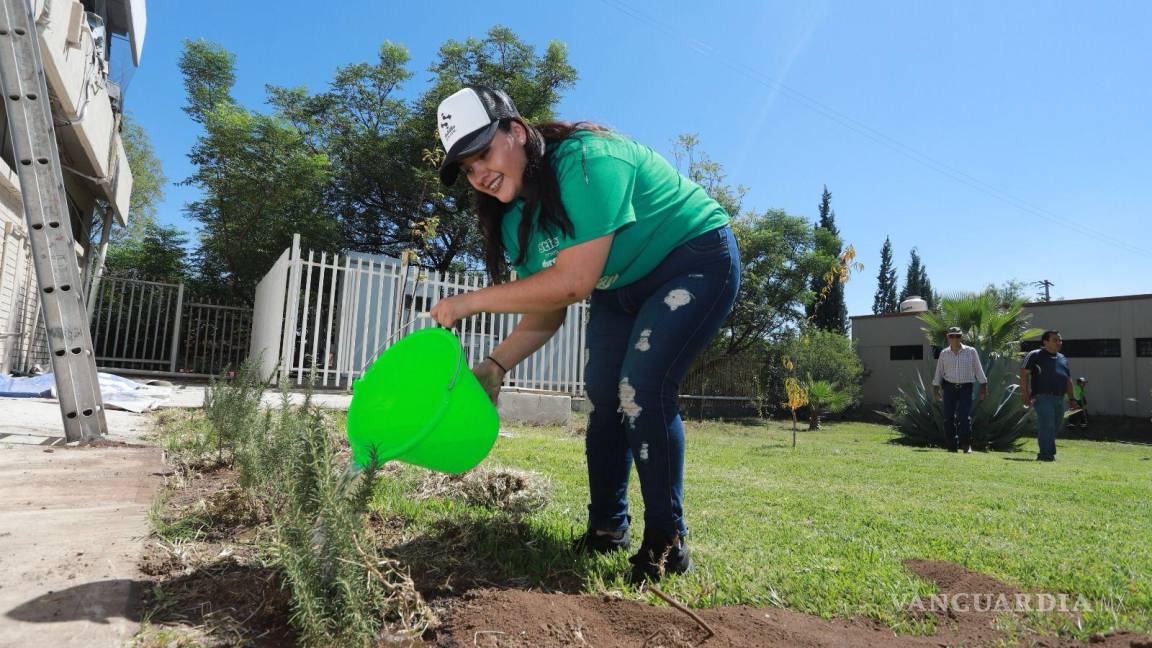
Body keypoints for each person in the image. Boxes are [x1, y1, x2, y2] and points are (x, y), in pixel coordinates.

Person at [427, 86, 740, 582]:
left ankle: (666, 541)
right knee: (603, 395)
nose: (479, 174)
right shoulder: (514, 218)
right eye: (466, 167)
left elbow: (572, 283)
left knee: (641, 388)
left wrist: (466, 303)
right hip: (622, 284)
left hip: (694, 259)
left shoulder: (589, 161)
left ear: (516, 130)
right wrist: (494, 367)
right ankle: (607, 529)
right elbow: (548, 310)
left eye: (484, 152)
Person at [1019, 330, 1075, 462]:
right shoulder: (1035, 355)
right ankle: (1045, 455)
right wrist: (1025, 394)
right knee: (1047, 425)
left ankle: (1049, 452)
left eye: (1060, 340)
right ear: (1045, 342)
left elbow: (1068, 380)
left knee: (1055, 426)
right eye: (1055, 340)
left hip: (1059, 398)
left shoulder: (1062, 358)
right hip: (1042, 397)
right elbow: (1024, 374)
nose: (1059, 343)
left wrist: (1072, 399)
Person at [931, 327, 988, 453]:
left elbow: (978, 369)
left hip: (966, 388)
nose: (955, 339)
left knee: (964, 416)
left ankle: (966, 445)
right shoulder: (944, 353)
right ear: (948, 337)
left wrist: (983, 386)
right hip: (949, 387)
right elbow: (939, 372)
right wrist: (935, 389)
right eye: (952, 336)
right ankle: (952, 446)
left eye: (957, 336)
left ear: (961, 337)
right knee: (948, 418)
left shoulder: (971, 351)